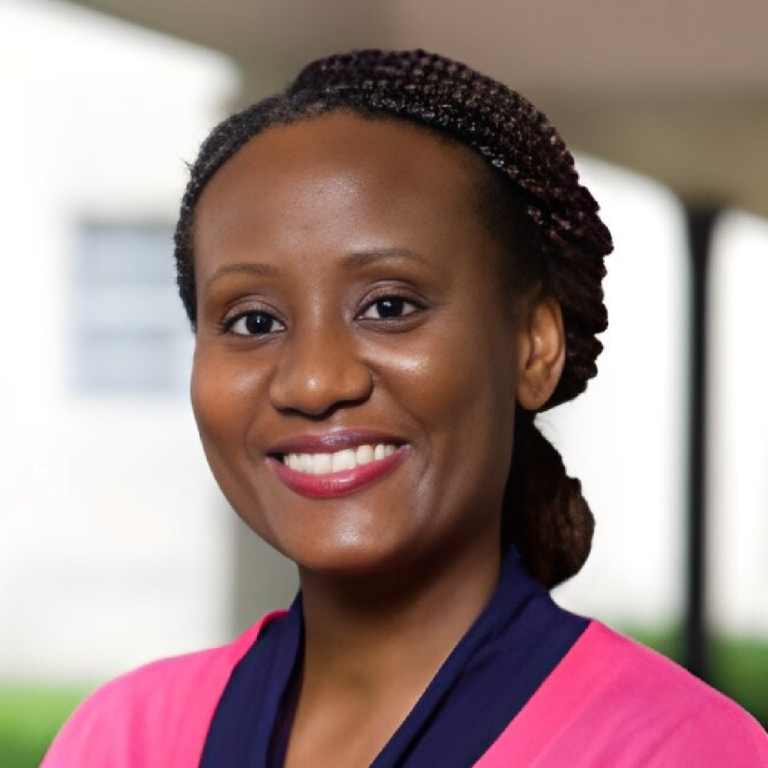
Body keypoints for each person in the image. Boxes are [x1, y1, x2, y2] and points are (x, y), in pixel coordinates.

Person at [43, 49, 767, 767]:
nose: (314, 382)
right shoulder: (124, 739)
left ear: (533, 347)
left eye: (389, 305)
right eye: (253, 321)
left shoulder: (680, 750)